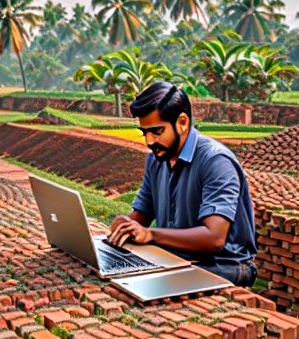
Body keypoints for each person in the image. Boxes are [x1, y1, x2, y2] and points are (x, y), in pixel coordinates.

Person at [109, 81, 257, 287]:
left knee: (145, 284)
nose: (149, 141)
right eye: (145, 133)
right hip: (176, 258)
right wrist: (125, 226)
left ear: (182, 122)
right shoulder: (156, 160)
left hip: (223, 265)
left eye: (157, 131)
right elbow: (140, 217)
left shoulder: (216, 162)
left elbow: (214, 238)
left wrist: (151, 234)